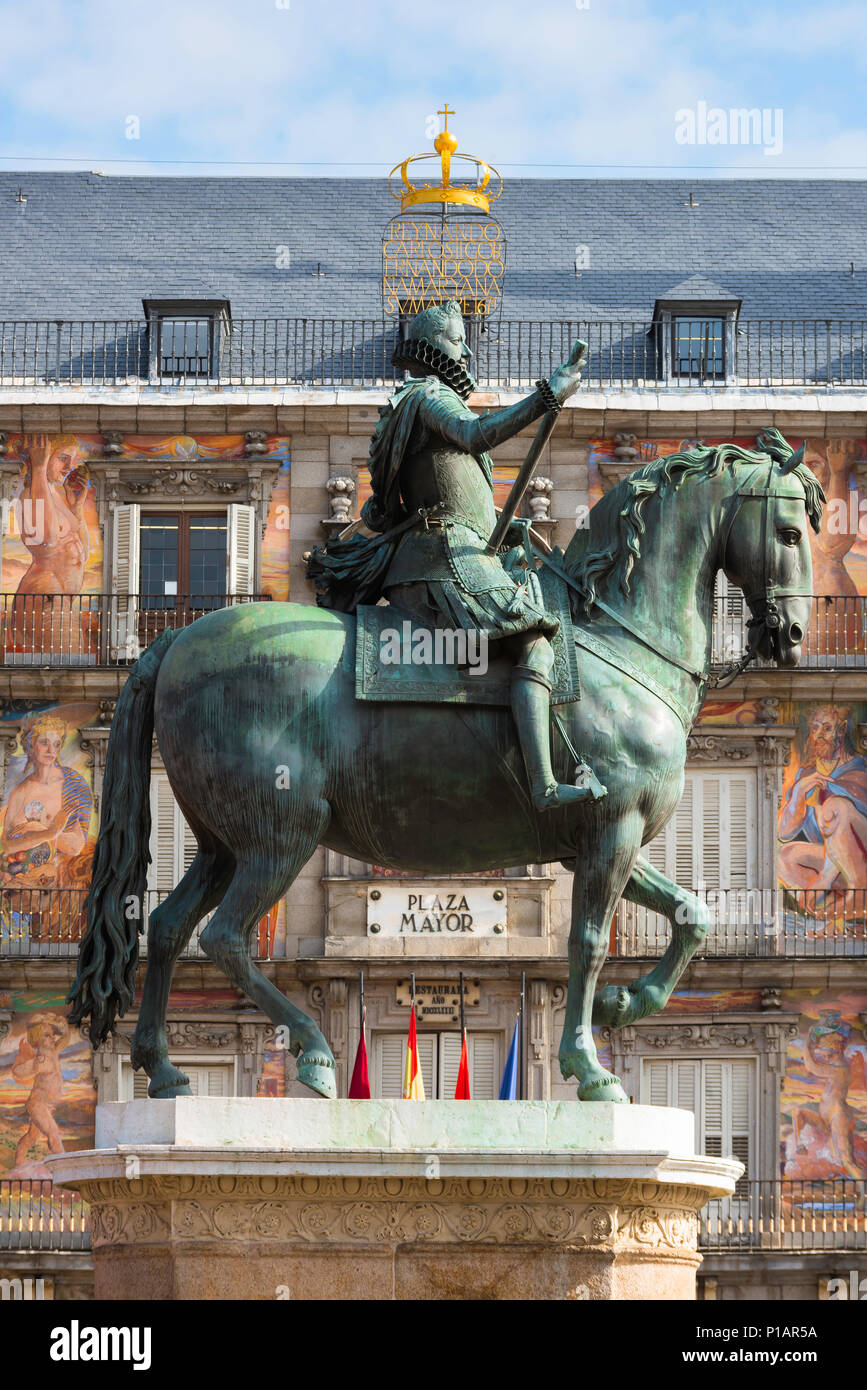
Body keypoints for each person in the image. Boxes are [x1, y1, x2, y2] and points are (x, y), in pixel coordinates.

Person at [308, 301, 605, 811]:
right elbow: (476, 435)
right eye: (459, 339)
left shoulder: (424, 405)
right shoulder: (427, 396)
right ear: (435, 348)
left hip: (451, 549)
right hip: (440, 560)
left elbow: (456, 500)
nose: (468, 350)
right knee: (535, 642)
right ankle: (544, 785)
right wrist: (546, 396)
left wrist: (506, 527)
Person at [779, 705, 867, 918]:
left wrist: (825, 876)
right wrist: (800, 791)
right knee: (783, 856)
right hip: (835, 868)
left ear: (842, 730)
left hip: (861, 861)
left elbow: (849, 837)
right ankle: (824, 909)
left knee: (835, 807)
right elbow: (784, 833)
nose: (819, 735)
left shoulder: (859, 769)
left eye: (827, 728)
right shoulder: (806, 773)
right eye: (815, 728)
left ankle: (859, 896)